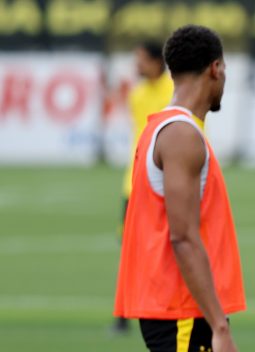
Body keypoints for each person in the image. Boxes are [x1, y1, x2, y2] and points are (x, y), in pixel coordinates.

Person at [107, 25, 244, 352]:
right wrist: (220, 325)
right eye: (224, 68)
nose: (225, 76)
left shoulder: (164, 127)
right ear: (215, 68)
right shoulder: (183, 135)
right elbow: (184, 239)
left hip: (180, 311)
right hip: (184, 314)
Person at [111, 41, 174, 335]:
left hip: (165, 183)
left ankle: (168, 310)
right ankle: (122, 316)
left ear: (155, 61)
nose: (136, 65)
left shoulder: (173, 92)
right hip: (134, 183)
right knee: (128, 250)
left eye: (140, 60)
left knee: (170, 248)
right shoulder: (136, 95)